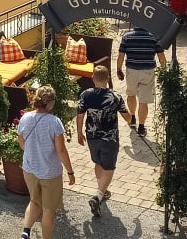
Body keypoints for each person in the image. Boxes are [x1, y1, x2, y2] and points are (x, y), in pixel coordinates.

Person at [17, 85, 76, 239]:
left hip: (30, 169)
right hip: (50, 172)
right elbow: (61, 150)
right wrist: (70, 171)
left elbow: (22, 143)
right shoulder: (54, 122)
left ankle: (25, 232)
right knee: (48, 210)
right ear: (50, 103)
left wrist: (33, 153)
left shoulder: (25, 118)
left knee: (34, 201)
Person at [76, 65, 131, 218]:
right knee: (109, 168)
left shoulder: (85, 94)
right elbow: (127, 116)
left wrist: (79, 133)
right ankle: (98, 196)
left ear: (93, 77)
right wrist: (131, 121)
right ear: (107, 79)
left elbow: (80, 115)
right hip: (110, 139)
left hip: (92, 137)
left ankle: (102, 189)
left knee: (98, 163)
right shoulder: (115, 97)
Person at [116, 24, 168, 137]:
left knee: (131, 94)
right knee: (143, 101)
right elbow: (161, 57)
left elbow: (121, 55)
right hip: (147, 72)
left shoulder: (127, 36)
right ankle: (141, 127)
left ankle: (132, 118)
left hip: (132, 71)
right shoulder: (154, 37)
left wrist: (118, 69)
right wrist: (164, 72)